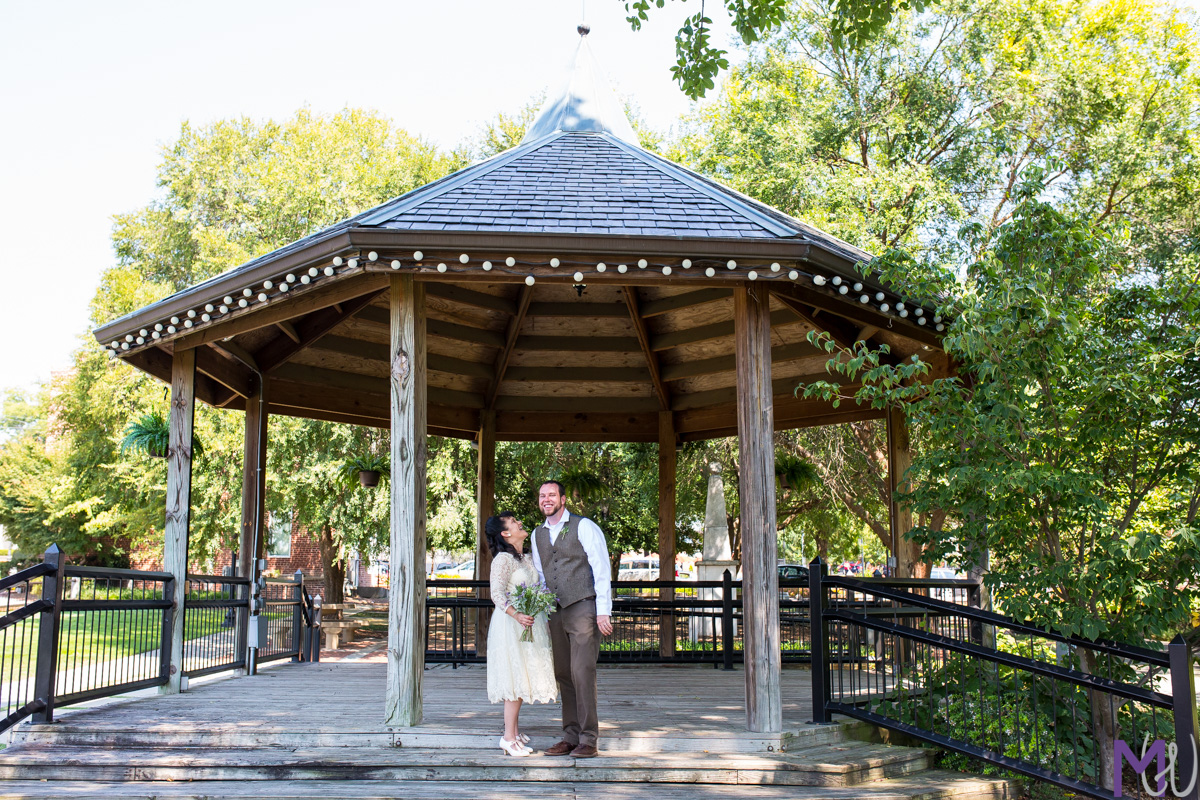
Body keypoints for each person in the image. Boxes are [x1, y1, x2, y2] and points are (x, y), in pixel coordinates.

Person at [530, 480, 612, 759]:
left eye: (552, 495)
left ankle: (589, 738)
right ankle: (570, 735)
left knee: (581, 671)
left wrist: (603, 610)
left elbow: (601, 568)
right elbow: (542, 577)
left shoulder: (584, 526)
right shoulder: (537, 534)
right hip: (555, 610)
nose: (546, 499)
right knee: (563, 673)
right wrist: (542, 611)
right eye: (542, 496)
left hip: (583, 607)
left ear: (563, 499)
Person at [484, 511, 557, 757]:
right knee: (513, 679)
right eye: (514, 522)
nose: (520, 522)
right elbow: (496, 595)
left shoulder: (525, 558)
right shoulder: (503, 560)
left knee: (522, 676)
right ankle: (507, 738)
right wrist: (516, 614)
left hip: (528, 622)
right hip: (511, 624)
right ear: (505, 533)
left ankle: (514, 731)